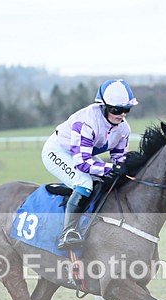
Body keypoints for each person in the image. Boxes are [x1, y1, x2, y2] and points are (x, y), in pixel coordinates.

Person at [41, 79, 138, 248]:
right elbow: (83, 164)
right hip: (58, 151)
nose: (122, 115)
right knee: (84, 182)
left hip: (82, 154)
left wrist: (126, 171)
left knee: (109, 179)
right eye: (117, 110)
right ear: (104, 106)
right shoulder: (86, 122)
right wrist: (111, 168)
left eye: (126, 110)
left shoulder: (124, 129)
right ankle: (68, 233)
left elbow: (119, 161)